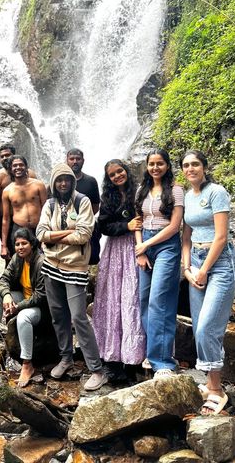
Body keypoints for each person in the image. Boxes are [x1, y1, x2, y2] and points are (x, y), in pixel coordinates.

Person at [36, 163, 107, 391]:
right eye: (59, 180)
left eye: (67, 179)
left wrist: (53, 237)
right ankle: (66, 358)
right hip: (50, 266)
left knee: (79, 317)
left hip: (75, 267)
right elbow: (39, 233)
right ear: (54, 183)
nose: (63, 183)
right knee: (58, 315)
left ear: (72, 181)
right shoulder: (49, 203)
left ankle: (96, 369)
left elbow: (84, 234)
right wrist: (66, 233)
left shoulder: (83, 201)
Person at [181, 150, 235, 414]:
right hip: (195, 262)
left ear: (204, 167)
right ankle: (210, 382)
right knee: (199, 327)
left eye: (195, 164)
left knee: (207, 327)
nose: (190, 168)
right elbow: (186, 238)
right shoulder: (186, 197)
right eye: (186, 165)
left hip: (220, 263)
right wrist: (187, 269)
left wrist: (203, 270)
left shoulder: (216, 192)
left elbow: (221, 236)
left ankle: (217, 390)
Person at [92, 160, 145, 378]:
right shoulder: (107, 198)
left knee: (131, 299)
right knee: (112, 300)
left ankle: (133, 358)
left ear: (126, 171)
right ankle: (112, 356)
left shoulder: (140, 192)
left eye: (120, 171)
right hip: (115, 251)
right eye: (112, 174)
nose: (117, 176)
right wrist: (126, 226)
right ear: (109, 178)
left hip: (137, 247)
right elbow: (103, 226)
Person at [135, 149, 184, 378]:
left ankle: (163, 362)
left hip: (166, 246)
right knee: (144, 300)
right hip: (145, 245)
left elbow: (174, 226)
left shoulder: (176, 190)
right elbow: (137, 222)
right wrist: (140, 250)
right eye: (151, 164)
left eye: (160, 163)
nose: (155, 168)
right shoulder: (141, 190)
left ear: (167, 166)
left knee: (159, 301)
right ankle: (152, 351)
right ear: (147, 166)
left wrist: (147, 245)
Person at [0, 228, 47, 387]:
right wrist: (8, 296)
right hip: (24, 298)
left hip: (41, 308)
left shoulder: (40, 261)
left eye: (24, 243)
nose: (20, 247)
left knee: (23, 318)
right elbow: (3, 280)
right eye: (17, 244)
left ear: (32, 244)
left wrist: (17, 307)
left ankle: (27, 364)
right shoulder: (17, 258)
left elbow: (41, 296)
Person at [0, 144, 37, 250]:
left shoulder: (31, 175)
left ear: (14, 156)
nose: (5, 158)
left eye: (8, 155)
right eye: (2, 156)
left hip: (29, 221)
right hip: (7, 221)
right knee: (10, 254)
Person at [1, 155, 47, 261]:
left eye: (21, 165)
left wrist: (46, 236)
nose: (18, 167)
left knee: (42, 262)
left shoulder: (38, 185)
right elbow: (6, 219)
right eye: (15, 165)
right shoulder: (7, 191)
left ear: (26, 167)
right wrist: (3, 246)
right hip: (19, 230)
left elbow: (47, 210)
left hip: (39, 229)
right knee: (20, 264)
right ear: (10, 169)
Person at [66, 148, 100, 214]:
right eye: (71, 159)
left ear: (83, 161)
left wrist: (85, 218)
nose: (75, 162)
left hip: (85, 222)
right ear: (67, 161)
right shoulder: (60, 182)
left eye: (78, 159)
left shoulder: (91, 181)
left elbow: (95, 206)